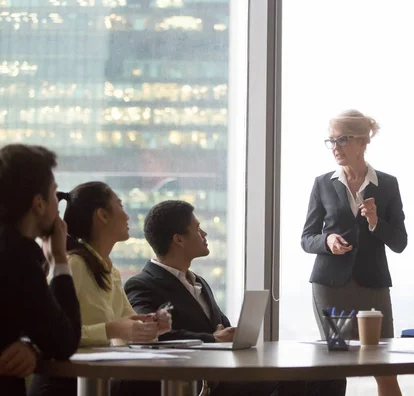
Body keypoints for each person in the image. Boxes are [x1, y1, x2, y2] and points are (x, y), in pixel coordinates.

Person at [125, 200, 347, 396]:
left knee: (330, 377)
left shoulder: (199, 282)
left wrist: (230, 334)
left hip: (227, 374)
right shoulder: (142, 285)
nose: (205, 235)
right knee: (290, 382)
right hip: (197, 385)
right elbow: (150, 336)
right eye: (197, 229)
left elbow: (224, 331)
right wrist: (212, 339)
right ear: (178, 240)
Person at [28, 181, 171, 396]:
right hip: (64, 386)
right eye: (120, 206)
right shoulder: (73, 265)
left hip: (96, 384)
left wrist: (151, 326)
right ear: (102, 215)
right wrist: (114, 330)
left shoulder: (109, 270)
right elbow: (54, 335)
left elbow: (128, 324)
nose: (127, 216)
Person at [301, 110, 407, 396]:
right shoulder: (322, 183)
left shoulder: (387, 184)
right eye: (331, 140)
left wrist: (376, 222)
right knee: (335, 364)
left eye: (342, 140)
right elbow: (307, 238)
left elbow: (400, 242)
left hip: (372, 286)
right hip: (330, 287)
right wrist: (328, 241)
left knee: (384, 367)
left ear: (363, 142)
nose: (335, 147)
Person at [0, 144, 81, 396]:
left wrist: (29, 344)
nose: (59, 205)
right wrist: (58, 259)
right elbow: (64, 341)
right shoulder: (19, 257)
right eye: (55, 195)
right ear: (39, 203)